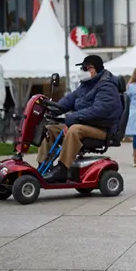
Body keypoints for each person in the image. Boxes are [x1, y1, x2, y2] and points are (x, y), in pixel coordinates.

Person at [37, 55, 123, 183]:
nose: (83, 71)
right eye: (82, 68)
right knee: (50, 129)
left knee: (74, 130)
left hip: (102, 129)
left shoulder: (107, 86)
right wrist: (50, 107)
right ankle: (42, 166)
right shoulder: (85, 86)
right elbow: (67, 102)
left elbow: (99, 110)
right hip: (86, 125)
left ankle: (63, 169)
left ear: (97, 69)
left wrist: (72, 118)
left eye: (86, 68)